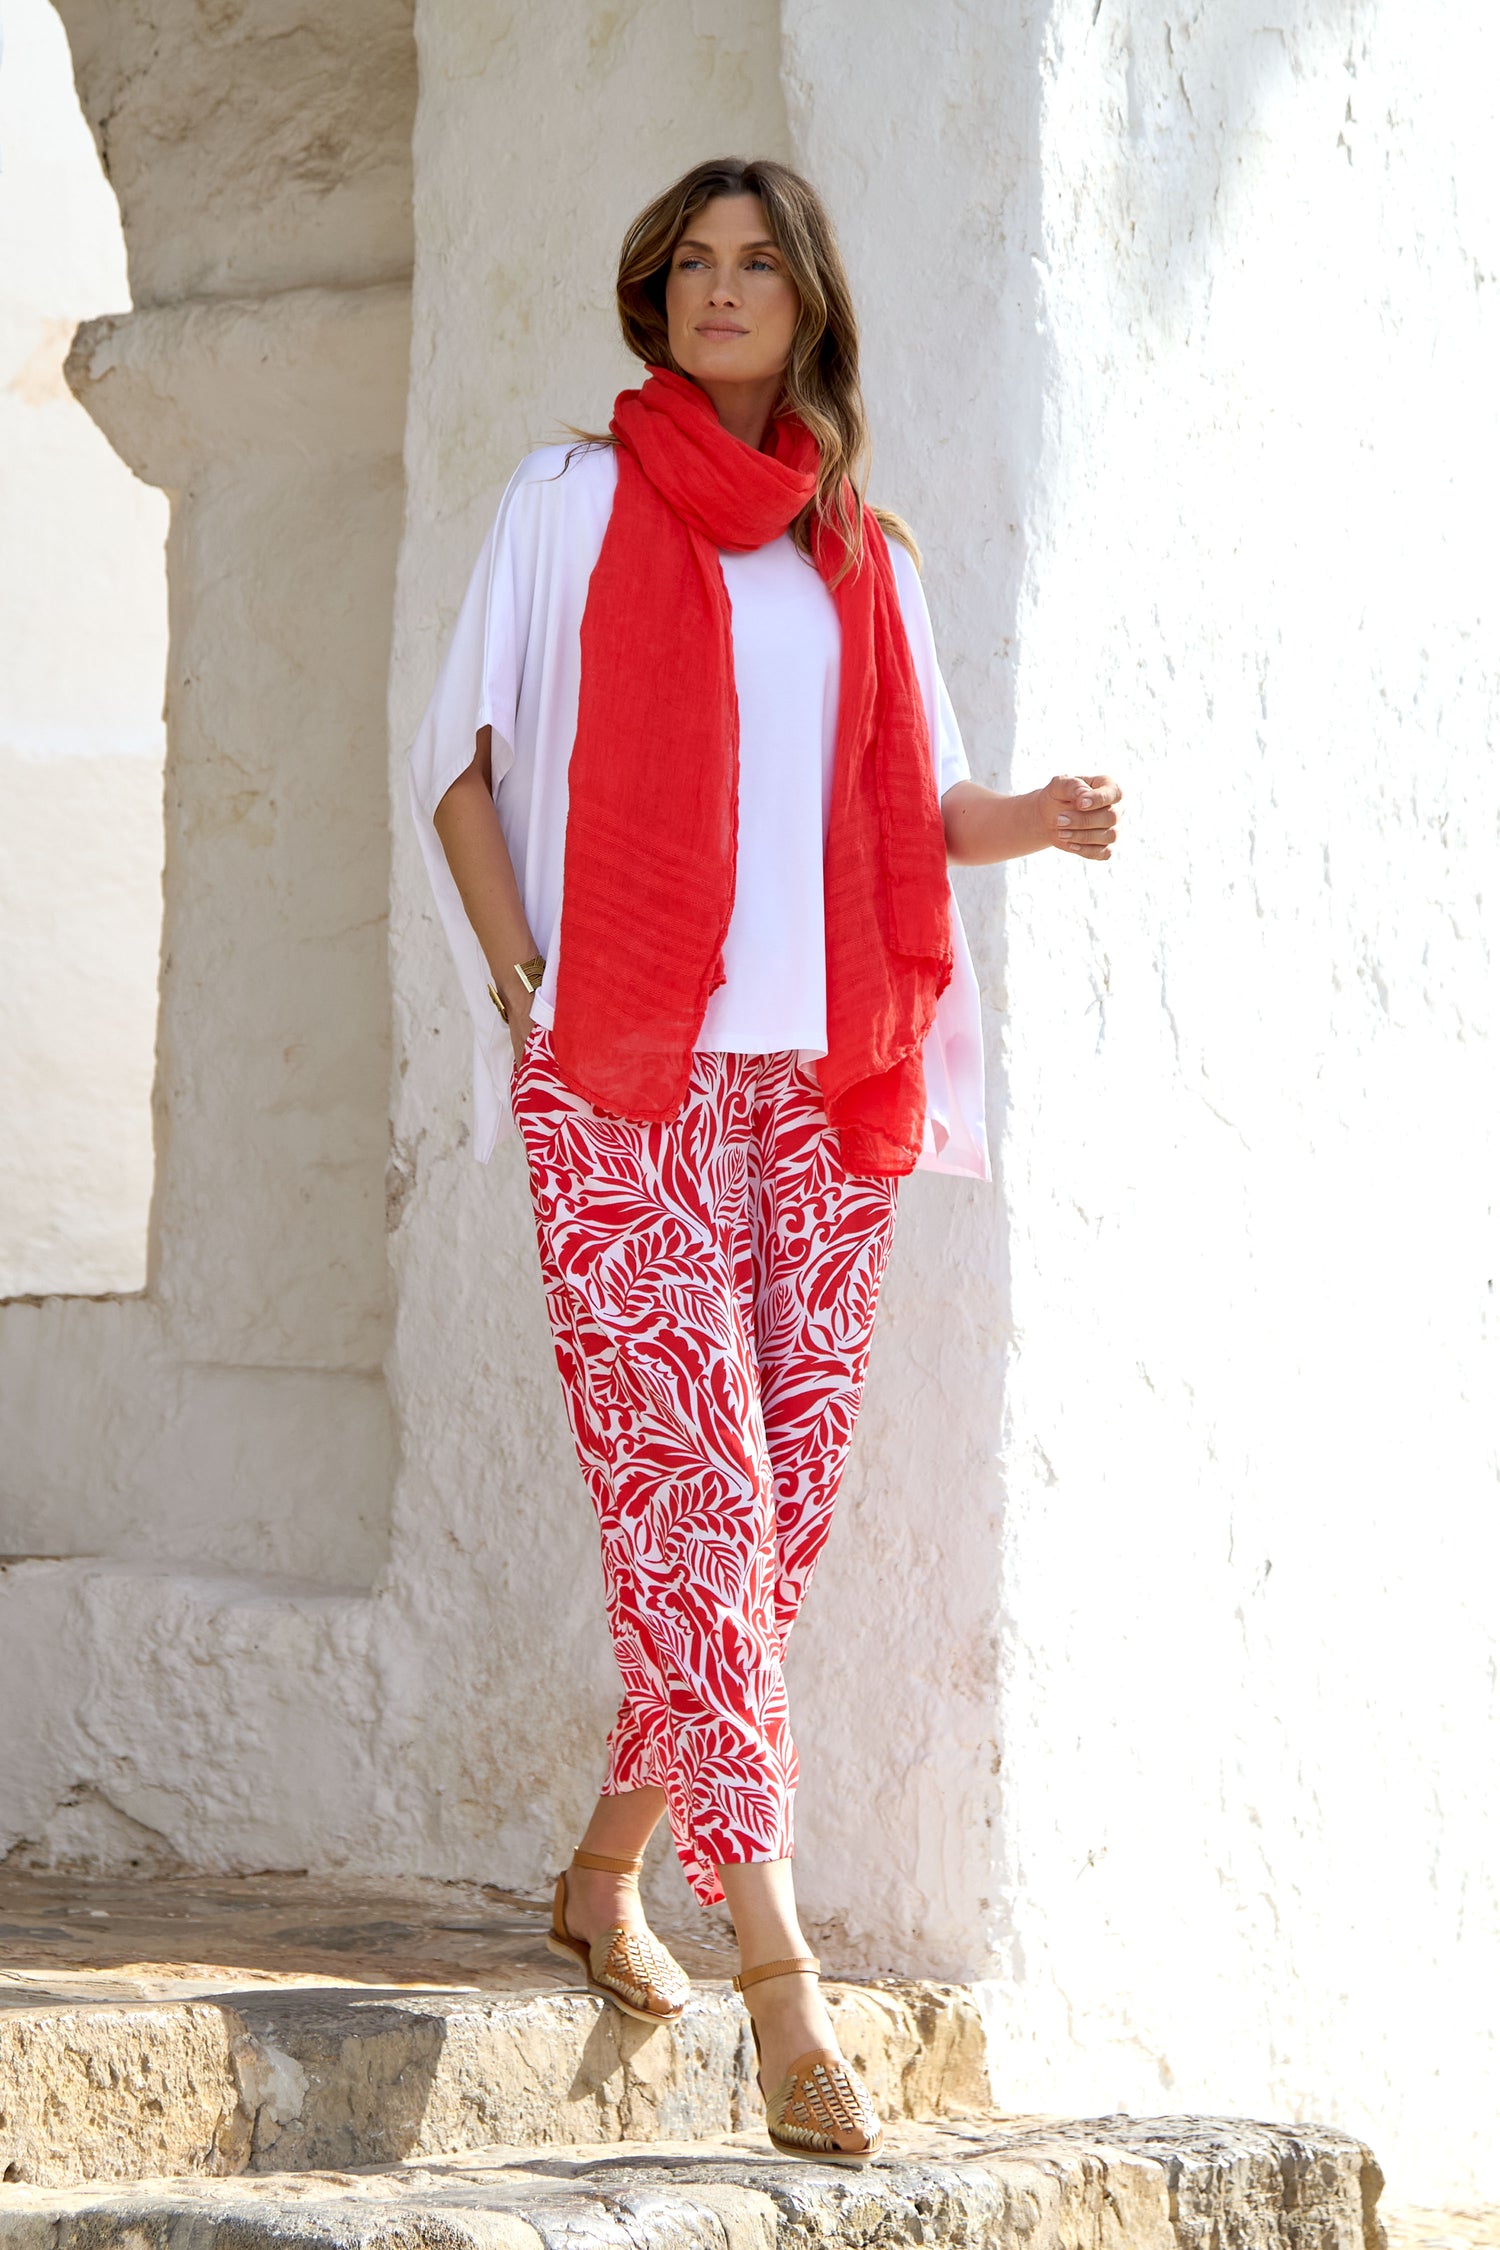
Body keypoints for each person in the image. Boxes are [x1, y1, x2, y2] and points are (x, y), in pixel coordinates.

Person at [408, 154, 1120, 2166]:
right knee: (703, 1514)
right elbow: (450, 768)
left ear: (807, 308)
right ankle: (782, 1982)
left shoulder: (854, 551)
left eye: (758, 268)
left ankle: (603, 1862)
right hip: (624, 1080)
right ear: (655, 296)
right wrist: (529, 982)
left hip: (822, 1089)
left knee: (774, 1519)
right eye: (691, 266)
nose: (723, 293)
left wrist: (1037, 820)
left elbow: (922, 803)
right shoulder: (568, 504)